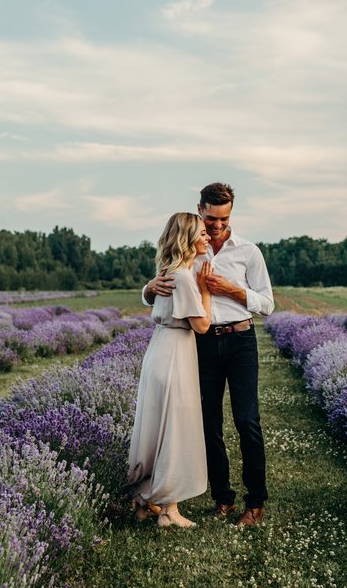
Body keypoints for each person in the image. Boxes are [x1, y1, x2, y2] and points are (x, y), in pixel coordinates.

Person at [142, 182, 274, 527]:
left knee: (247, 421)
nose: (216, 226)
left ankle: (255, 502)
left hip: (241, 340)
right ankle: (222, 498)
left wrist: (232, 290)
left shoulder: (248, 251)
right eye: (211, 219)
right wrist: (147, 289)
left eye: (224, 219)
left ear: (231, 213)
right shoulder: (191, 247)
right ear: (200, 209)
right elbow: (165, 283)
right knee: (208, 423)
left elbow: (268, 304)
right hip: (199, 343)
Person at [129, 212, 214, 529]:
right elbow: (202, 325)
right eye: (202, 233)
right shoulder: (184, 277)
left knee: (155, 427)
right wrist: (205, 289)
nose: (207, 238)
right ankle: (169, 510)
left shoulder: (168, 272)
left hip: (160, 351)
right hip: (176, 354)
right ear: (189, 238)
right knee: (175, 428)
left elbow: (152, 299)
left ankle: (142, 500)